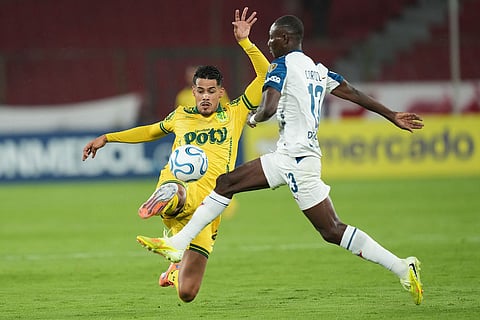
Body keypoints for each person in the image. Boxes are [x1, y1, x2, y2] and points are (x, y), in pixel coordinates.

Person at [136, 14, 425, 305]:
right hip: (299, 156)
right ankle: (401, 266)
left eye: (273, 38)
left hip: (295, 160)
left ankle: (178, 243)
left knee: (328, 228)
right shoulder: (316, 68)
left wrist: (253, 118)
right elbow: (352, 91)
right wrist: (392, 114)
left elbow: (269, 106)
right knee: (231, 185)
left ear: (286, 39)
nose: (270, 43)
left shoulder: (282, 65)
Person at [82, 7, 269, 303]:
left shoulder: (235, 113)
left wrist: (245, 42)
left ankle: (175, 263)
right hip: (180, 190)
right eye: (200, 91)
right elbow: (149, 131)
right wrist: (107, 137)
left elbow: (265, 74)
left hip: (211, 205)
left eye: (211, 91)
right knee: (179, 192)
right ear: (192, 92)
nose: (205, 96)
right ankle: (169, 195)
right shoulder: (180, 116)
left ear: (221, 93)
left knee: (187, 293)